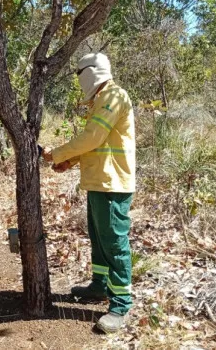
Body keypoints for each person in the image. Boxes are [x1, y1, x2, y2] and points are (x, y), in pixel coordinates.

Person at [41, 53, 136, 334]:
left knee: (114, 243)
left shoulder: (114, 96)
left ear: (91, 72)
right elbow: (97, 145)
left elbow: (93, 137)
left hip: (113, 183)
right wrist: (70, 161)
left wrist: (57, 153)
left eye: (79, 73)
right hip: (98, 181)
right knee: (98, 237)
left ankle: (121, 304)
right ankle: (99, 285)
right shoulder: (102, 98)